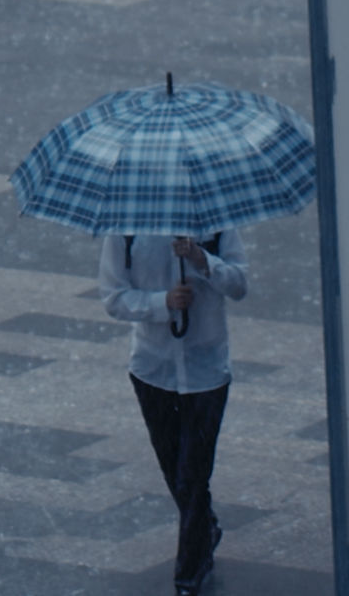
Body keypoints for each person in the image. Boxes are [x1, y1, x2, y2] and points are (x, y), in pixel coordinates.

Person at [103, 225, 248, 592]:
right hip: (153, 369)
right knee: (175, 470)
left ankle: (188, 573)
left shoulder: (216, 225)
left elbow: (239, 284)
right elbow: (114, 297)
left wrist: (202, 260)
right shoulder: (126, 230)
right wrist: (162, 302)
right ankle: (205, 528)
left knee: (192, 474)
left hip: (207, 370)